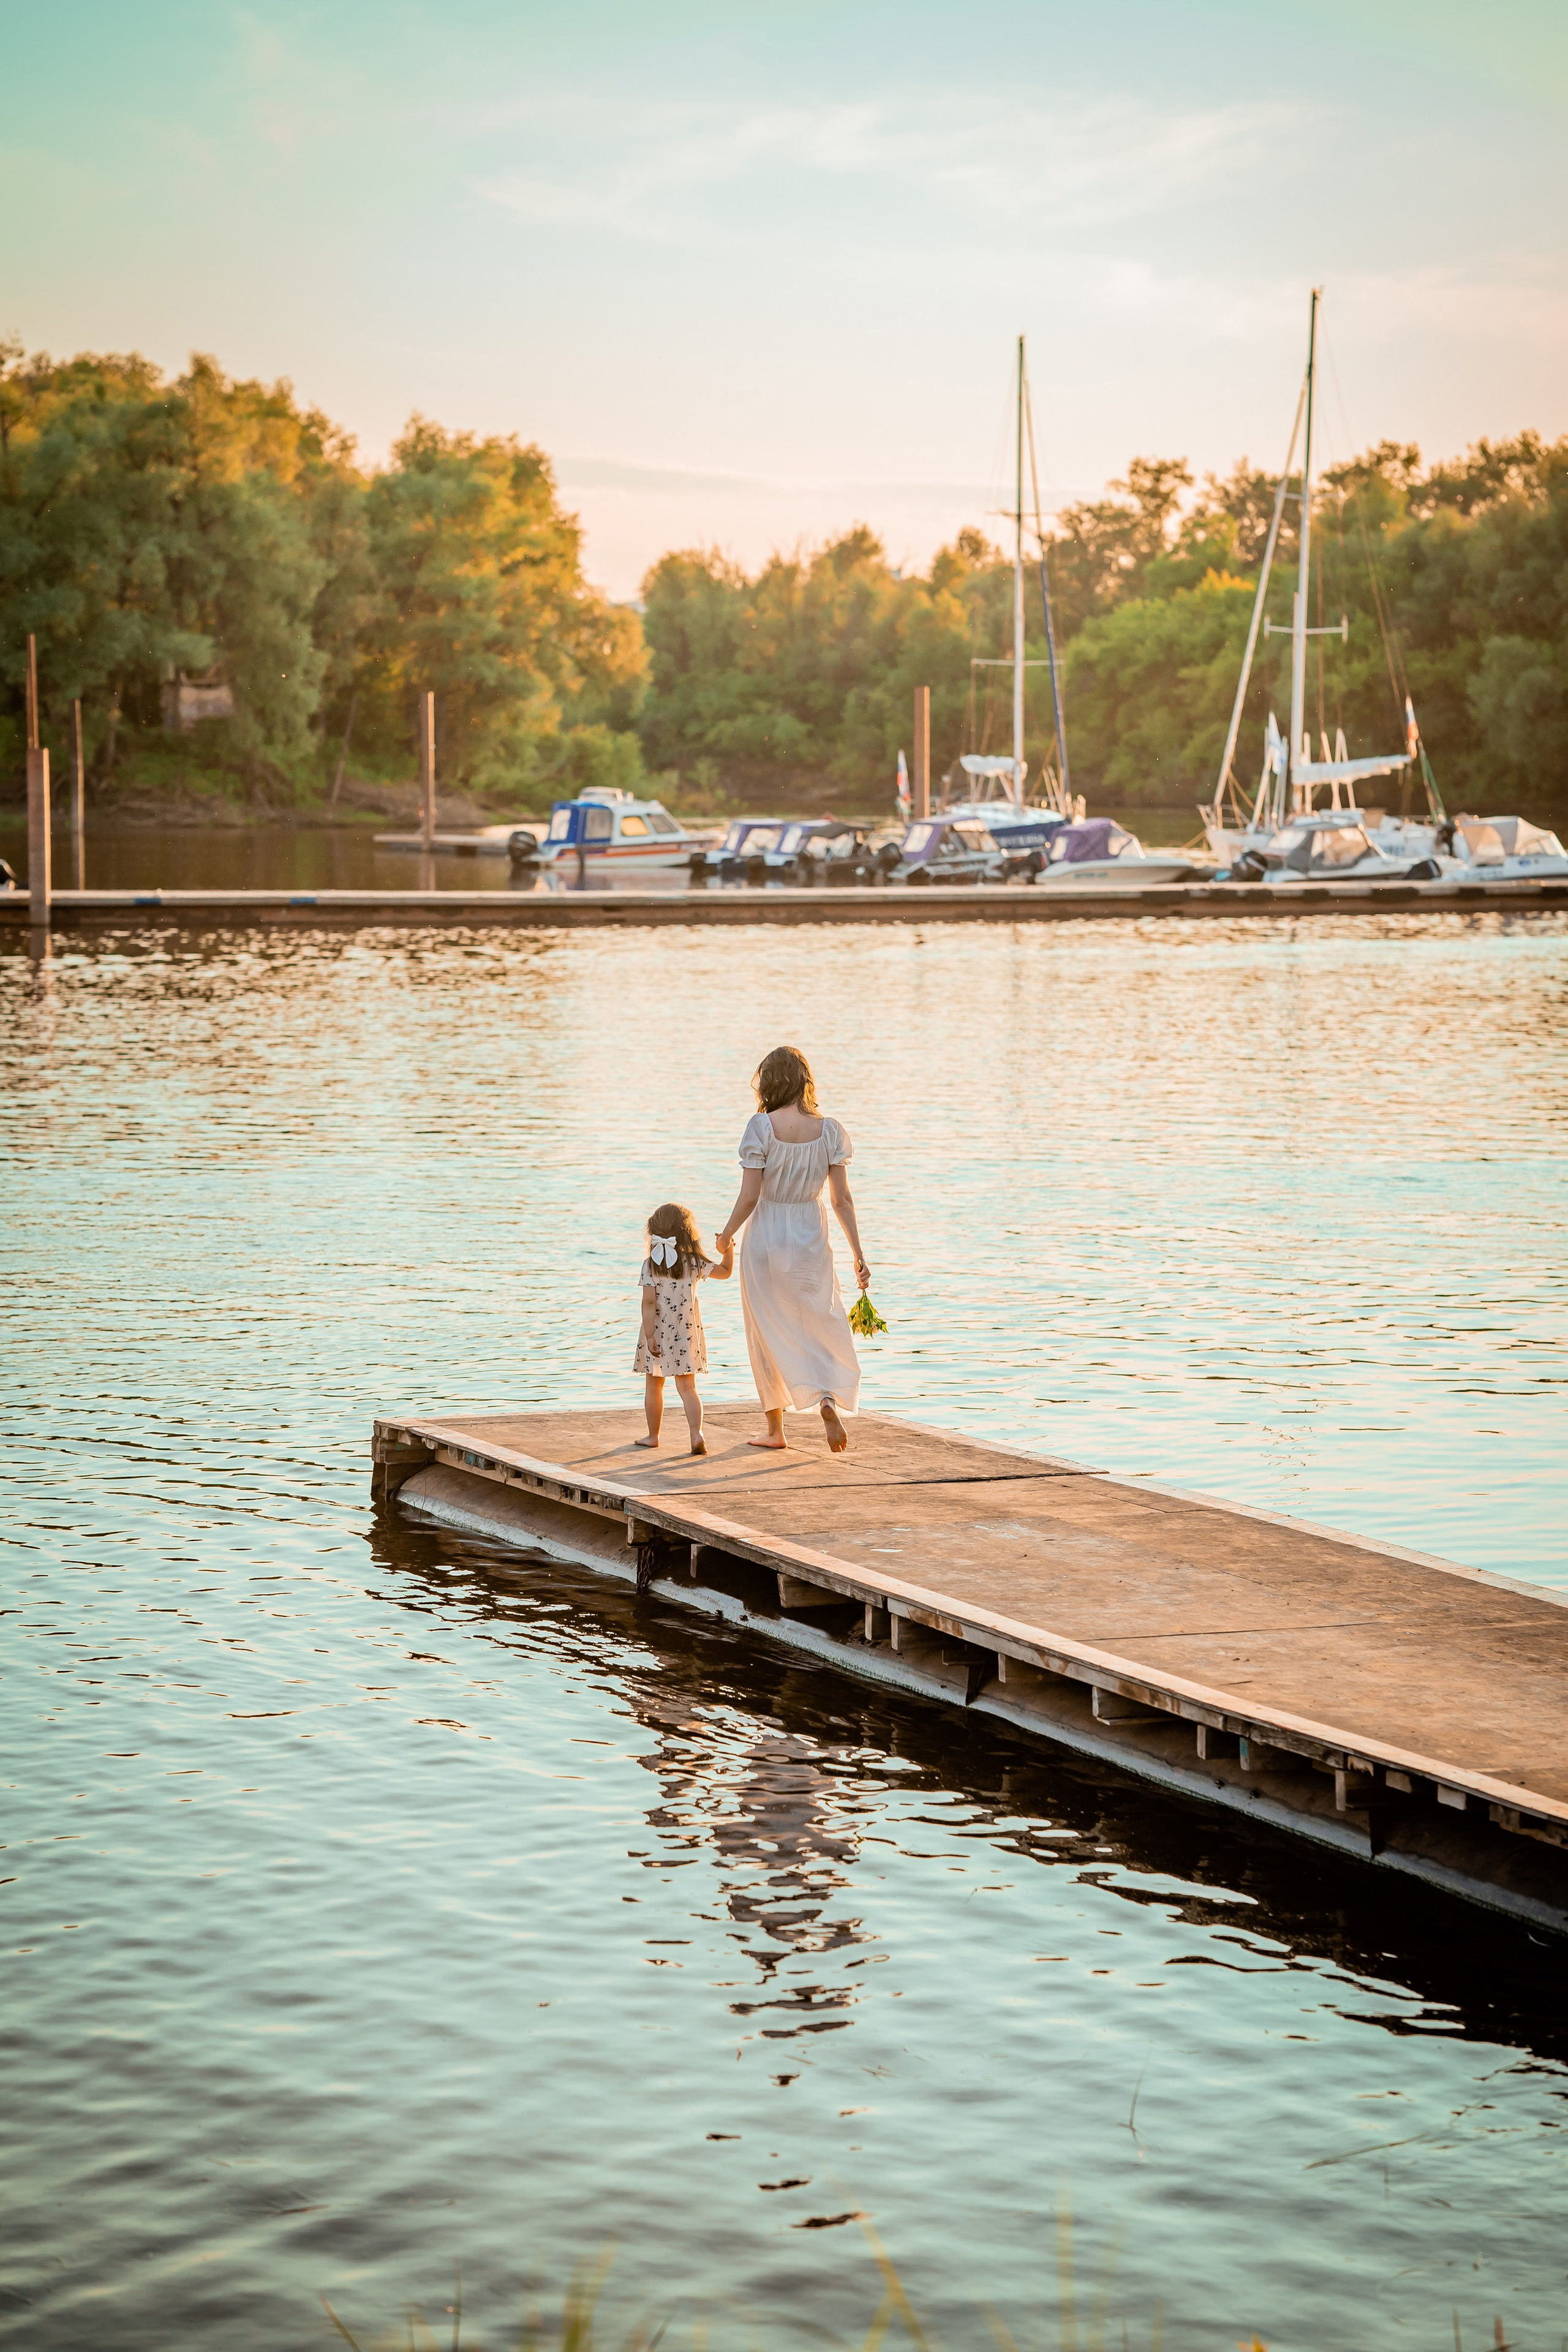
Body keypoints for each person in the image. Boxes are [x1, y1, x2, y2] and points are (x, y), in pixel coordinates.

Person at [715, 1045, 870, 1454]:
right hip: (811, 1235)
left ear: (769, 1082)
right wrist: (858, 1254)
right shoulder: (831, 1131)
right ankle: (826, 1398)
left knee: (764, 1329)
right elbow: (841, 1201)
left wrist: (726, 1233)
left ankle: (776, 1430)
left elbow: (749, 1196)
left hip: (767, 1234)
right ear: (804, 1082)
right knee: (819, 1320)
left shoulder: (761, 1128)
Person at [634, 1203, 733, 1455]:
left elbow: (648, 1302)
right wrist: (728, 1249)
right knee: (688, 1388)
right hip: (686, 1333)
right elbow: (725, 1272)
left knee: (654, 1386)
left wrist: (649, 1336)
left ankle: (653, 1436)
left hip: (656, 1333)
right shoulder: (694, 1262)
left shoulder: (651, 1265)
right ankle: (696, 1434)